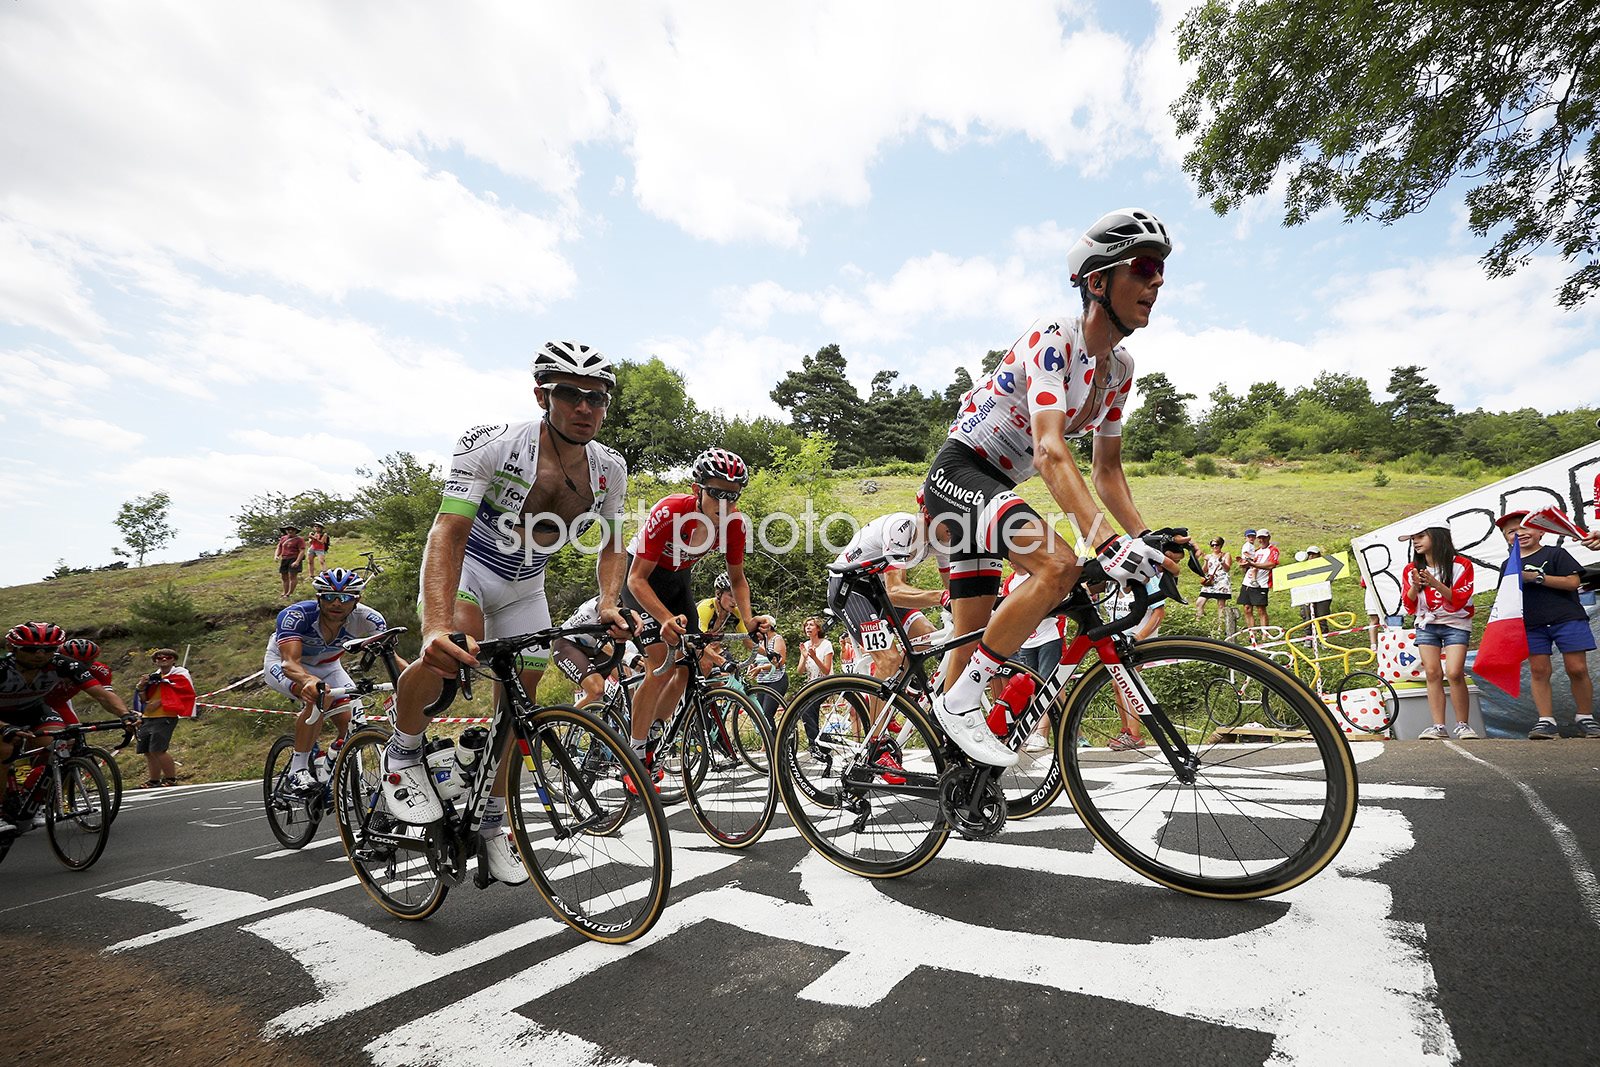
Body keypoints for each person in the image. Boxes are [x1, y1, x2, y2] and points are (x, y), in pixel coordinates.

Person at [922, 207, 1186, 767]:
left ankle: (951, 767)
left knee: (972, 638)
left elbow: (1107, 472)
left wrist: (1147, 539)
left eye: (1161, 270)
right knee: (1059, 565)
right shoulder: (1053, 340)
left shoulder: (1120, 369)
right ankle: (960, 707)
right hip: (959, 472)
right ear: (1097, 281)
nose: (1156, 281)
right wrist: (1107, 542)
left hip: (989, 487)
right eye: (1142, 267)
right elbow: (1049, 450)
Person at [383, 340, 632, 887]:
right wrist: (434, 625)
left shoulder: (609, 469)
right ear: (542, 394)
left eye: (597, 397)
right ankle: (402, 752)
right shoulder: (492, 446)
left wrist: (610, 602)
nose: (585, 407)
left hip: (527, 587)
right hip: (471, 570)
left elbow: (615, 543)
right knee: (454, 653)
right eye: (571, 394)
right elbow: (446, 533)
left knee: (519, 704)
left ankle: (494, 823)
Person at [624, 448, 772, 791]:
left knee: (690, 666)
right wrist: (662, 619)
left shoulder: (734, 524)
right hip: (642, 579)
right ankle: (634, 755)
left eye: (733, 496)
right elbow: (635, 579)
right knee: (660, 664)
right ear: (697, 490)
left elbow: (738, 580)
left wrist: (748, 619)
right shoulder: (671, 510)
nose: (726, 503)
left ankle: (655, 736)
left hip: (678, 581)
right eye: (717, 493)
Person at [265, 569, 400, 795]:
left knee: (349, 721)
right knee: (320, 695)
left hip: (329, 666)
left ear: (357, 599)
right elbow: (290, 662)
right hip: (285, 664)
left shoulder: (369, 620)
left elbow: (393, 659)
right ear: (319, 597)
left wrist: (415, 681)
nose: (337, 603)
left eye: (345, 597)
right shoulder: (297, 615)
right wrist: (308, 680)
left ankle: (327, 763)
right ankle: (296, 772)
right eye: (329, 597)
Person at [1, 623, 134, 833]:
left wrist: (126, 715)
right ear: (12, 648)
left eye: (49, 650)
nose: (40, 655)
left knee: (60, 745)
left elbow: (102, 694)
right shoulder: (3, 668)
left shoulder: (64, 664)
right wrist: (5, 728)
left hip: (36, 711)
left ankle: (32, 796)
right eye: (30, 649)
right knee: (6, 750)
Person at [1496, 511, 1597, 739]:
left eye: (1525, 527)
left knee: (1577, 668)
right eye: (1511, 531)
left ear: (1541, 530)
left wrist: (1536, 578)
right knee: (1539, 670)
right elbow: (1505, 597)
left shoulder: (1556, 553)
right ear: (1505, 538)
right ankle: (1546, 721)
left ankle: (1585, 717)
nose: (1519, 533)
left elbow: (1573, 582)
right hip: (1531, 624)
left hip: (1567, 617)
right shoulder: (1507, 564)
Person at [1400, 527, 1477, 740]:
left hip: (1457, 623)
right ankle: (1438, 726)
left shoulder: (1461, 565)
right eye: (1413, 538)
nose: (1416, 542)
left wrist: (1435, 583)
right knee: (1432, 673)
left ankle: (1463, 725)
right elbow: (1408, 603)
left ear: (1438, 536)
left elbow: (1460, 598)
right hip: (1426, 623)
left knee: (1454, 672)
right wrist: (1415, 586)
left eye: (1421, 536)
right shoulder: (1411, 569)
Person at [132, 647, 197, 787]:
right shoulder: (153, 677)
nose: (163, 659)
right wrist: (141, 687)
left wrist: (161, 701)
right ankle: (153, 780)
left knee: (158, 749)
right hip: (148, 716)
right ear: (155, 661)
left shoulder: (180, 674)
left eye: (167, 657)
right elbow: (143, 699)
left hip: (166, 715)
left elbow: (185, 692)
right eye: (159, 658)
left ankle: (170, 778)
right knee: (147, 751)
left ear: (173, 660)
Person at [45, 638, 131, 724]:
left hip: (59, 702)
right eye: (73, 662)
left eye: (86, 664)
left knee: (75, 732)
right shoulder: (45, 665)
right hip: (35, 701)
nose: (78, 667)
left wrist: (126, 714)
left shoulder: (100, 670)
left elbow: (106, 698)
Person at [1239, 528, 1279, 633]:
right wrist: (1244, 565)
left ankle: (1264, 634)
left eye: (1264, 538)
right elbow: (1247, 566)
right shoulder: (1255, 551)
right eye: (1260, 538)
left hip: (1261, 583)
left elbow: (1271, 564)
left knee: (1261, 609)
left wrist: (1253, 564)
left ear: (1268, 538)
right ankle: (1252, 633)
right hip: (1247, 582)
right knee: (1247, 608)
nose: (1262, 540)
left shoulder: (1273, 550)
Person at [1291, 545, 1334, 631]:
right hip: (1307, 595)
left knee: (1322, 615)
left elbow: (1330, 579)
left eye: (1314, 554)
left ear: (1318, 555)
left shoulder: (1324, 565)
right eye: (1309, 554)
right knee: (1307, 616)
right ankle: (1309, 636)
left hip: (1322, 593)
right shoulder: (1302, 566)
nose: (1311, 556)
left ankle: (1323, 637)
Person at [1197, 537, 1232, 625]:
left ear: (1221, 545)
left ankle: (1221, 627)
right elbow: (1204, 571)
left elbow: (1227, 569)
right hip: (1210, 581)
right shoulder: (1209, 556)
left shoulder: (1226, 555)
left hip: (1221, 581)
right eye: (1212, 545)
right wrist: (1205, 561)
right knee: (1199, 602)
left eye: (1217, 544)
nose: (1214, 547)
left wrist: (1222, 562)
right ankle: (1198, 623)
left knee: (1221, 605)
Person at [275, 524, 306, 599]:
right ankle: (284, 592)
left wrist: (297, 561)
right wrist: (276, 555)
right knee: (284, 576)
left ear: (295, 531)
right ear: (286, 531)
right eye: (288, 529)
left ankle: (289, 593)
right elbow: (279, 547)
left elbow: (302, 551)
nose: (290, 531)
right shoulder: (283, 538)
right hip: (285, 558)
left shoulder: (299, 539)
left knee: (292, 576)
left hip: (294, 558)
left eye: (292, 530)